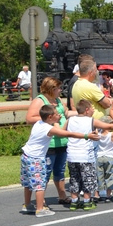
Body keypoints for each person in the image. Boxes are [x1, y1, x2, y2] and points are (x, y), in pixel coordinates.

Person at [21, 104, 98, 217]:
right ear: (50, 117)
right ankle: (40, 209)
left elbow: (59, 127)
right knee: (40, 184)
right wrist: (87, 136)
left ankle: (27, 205)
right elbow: (68, 133)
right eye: (57, 114)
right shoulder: (48, 129)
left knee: (28, 183)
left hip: (26, 156)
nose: (60, 115)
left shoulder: (39, 123)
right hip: (36, 159)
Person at [25, 77, 76, 207]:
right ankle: (40, 199)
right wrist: (52, 120)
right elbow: (30, 118)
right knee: (45, 172)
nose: (61, 90)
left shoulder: (58, 100)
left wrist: (80, 113)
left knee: (60, 170)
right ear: (51, 88)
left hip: (62, 142)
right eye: (58, 88)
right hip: (50, 143)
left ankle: (62, 195)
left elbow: (65, 113)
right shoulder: (40, 101)